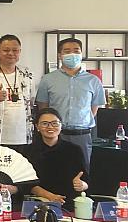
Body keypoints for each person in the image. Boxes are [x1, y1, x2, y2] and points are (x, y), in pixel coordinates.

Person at [36, 37, 106, 169]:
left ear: (81, 54)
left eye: (76, 51)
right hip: (55, 135)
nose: (72, 54)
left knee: (81, 173)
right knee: (53, 170)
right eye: (67, 51)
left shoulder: (93, 81)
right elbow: (43, 109)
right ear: (60, 55)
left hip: (82, 136)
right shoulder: (47, 79)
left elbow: (93, 110)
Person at [24, 108, 89, 212]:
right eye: (45, 123)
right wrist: (50, 196)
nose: (50, 127)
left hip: (69, 204)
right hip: (39, 204)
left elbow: (86, 180)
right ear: (37, 127)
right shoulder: (28, 151)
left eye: (54, 123)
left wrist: (81, 185)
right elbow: (27, 184)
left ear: (61, 125)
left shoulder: (74, 150)